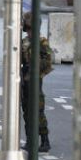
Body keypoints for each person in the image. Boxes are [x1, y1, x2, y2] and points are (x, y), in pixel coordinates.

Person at [20, 12, 53, 152]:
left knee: (38, 111)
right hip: (25, 78)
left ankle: (45, 140)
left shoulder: (42, 42)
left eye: (30, 28)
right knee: (26, 111)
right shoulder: (24, 42)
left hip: (35, 79)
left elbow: (48, 61)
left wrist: (35, 67)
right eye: (27, 29)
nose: (29, 31)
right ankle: (29, 140)